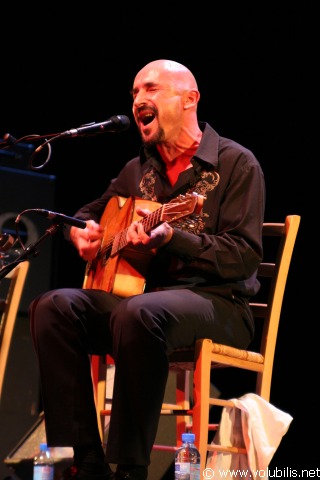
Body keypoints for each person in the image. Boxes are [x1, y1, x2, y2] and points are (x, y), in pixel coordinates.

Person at [29, 59, 265, 480]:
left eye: (151, 89)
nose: (139, 99)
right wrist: (79, 234)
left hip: (218, 304)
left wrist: (174, 239)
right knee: (52, 307)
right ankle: (86, 459)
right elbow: (89, 215)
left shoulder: (235, 164)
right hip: (140, 311)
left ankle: (130, 467)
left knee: (138, 312)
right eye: (135, 92)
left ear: (189, 99)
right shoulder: (138, 169)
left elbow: (243, 255)